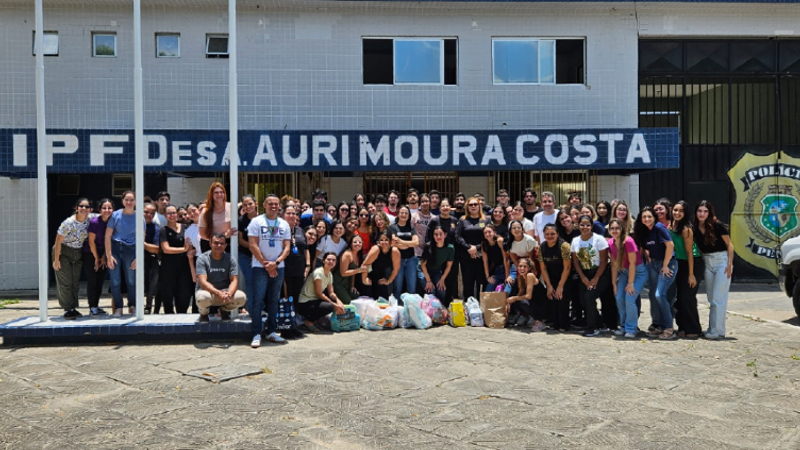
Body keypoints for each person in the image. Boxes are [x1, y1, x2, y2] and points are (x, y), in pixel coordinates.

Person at [248, 194, 292, 348]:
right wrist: (266, 264)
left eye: (276, 204)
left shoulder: (284, 224)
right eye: (270, 203)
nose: (274, 206)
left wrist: (276, 263)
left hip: (278, 267)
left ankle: (272, 331)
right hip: (260, 267)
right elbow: (253, 245)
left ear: (279, 206)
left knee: (274, 300)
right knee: (258, 300)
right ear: (264, 205)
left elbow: (287, 247)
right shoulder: (256, 221)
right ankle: (256, 333)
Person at [634, 206, 677, 340]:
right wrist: (650, 259)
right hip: (653, 264)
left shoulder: (659, 228)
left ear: (654, 217)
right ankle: (657, 325)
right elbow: (647, 247)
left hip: (668, 264)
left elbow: (670, 246)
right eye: (644, 217)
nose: (647, 219)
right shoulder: (645, 230)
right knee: (653, 295)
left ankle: (669, 327)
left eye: (649, 216)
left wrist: (665, 265)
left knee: (660, 294)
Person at [694, 200, 733, 340]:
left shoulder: (718, 226)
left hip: (721, 261)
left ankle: (718, 330)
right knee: (711, 298)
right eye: (699, 211)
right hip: (707, 261)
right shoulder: (695, 228)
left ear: (709, 213)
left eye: (705, 211)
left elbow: (730, 245)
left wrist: (729, 265)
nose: (702, 214)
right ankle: (712, 328)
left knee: (718, 297)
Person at [571, 215, 611, 337]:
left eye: (588, 225)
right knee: (583, 300)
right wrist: (583, 278)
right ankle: (600, 323)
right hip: (584, 272)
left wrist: (595, 278)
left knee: (589, 297)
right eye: (582, 224)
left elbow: (604, 260)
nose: (585, 227)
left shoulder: (599, 239)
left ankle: (592, 327)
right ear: (578, 225)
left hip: (600, 272)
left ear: (592, 226)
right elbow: (576, 261)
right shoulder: (575, 241)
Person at [607, 218, 646, 338]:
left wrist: (630, 283)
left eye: (617, 228)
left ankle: (631, 328)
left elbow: (633, 263)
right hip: (624, 272)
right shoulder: (611, 243)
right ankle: (623, 326)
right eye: (612, 228)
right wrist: (614, 284)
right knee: (619, 297)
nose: (614, 230)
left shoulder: (628, 241)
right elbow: (614, 265)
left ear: (622, 229)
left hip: (638, 273)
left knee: (629, 299)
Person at [53, 198, 91, 319]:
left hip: (78, 251)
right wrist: (56, 259)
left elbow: (105, 214)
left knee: (75, 282)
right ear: (76, 208)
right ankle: (67, 308)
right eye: (81, 206)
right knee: (66, 282)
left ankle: (73, 308)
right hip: (64, 251)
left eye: (87, 206)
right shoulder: (68, 223)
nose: (84, 209)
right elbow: (58, 242)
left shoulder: (89, 220)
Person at [195, 233, 247, 322]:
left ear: (226, 245)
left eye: (222, 243)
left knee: (242, 297)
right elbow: (203, 282)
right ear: (210, 244)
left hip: (225, 293)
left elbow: (234, 280)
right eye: (216, 243)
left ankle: (224, 311)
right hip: (208, 293)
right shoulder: (202, 258)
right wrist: (218, 292)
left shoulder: (230, 258)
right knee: (202, 298)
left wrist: (229, 294)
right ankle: (204, 313)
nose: (219, 245)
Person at [105, 191, 141, 316]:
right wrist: (108, 256)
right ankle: (118, 308)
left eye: (132, 200)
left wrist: (138, 257)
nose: (129, 202)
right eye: (127, 200)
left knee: (131, 281)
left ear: (135, 201)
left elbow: (142, 238)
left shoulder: (139, 216)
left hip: (131, 250)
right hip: (115, 248)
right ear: (122, 201)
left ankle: (132, 305)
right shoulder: (115, 215)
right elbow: (108, 236)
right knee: (115, 281)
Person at [671, 201, 703, 339]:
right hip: (678, 263)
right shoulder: (671, 225)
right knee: (679, 297)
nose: (677, 213)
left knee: (687, 297)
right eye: (675, 210)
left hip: (691, 263)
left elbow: (690, 253)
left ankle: (694, 328)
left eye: (681, 211)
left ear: (685, 213)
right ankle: (682, 326)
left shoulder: (686, 229)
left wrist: (691, 275)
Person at [298, 252, 346, 332]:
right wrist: (334, 305)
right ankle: (308, 322)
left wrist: (338, 301)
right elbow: (319, 293)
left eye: (333, 260)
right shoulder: (318, 272)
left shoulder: (329, 274)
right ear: (323, 261)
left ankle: (315, 320)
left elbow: (331, 293)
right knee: (330, 306)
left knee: (334, 301)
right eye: (329, 259)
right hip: (305, 303)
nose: (331, 262)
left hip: (314, 301)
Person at [159, 204, 194, 313]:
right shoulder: (163, 230)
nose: (172, 215)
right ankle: (169, 317)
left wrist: (188, 250)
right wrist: (183, 249)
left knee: (184, 292)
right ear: (165, 215)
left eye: (174, 212)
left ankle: (182, 314)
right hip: (168, 266)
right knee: (168, 293)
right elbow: (166, 249)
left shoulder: (185, 228)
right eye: (169, 213)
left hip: (184, 265)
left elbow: (190, 245)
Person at [537, 224, 572, 332]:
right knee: (552, 298)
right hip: (551, 277)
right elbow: (543, 269)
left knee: (561, 299)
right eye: (547, 234)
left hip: (566, 277)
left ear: (557, 234)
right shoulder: (542, 247)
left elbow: (567, 267)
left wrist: (560, 286)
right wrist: (549, 286)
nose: (550, 236)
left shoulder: (564, 246)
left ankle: (564, 325)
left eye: (552, 234)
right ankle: (555, 323)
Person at [455, 196, 489, 300]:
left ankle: (480, 306)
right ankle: (469, 305)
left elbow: (489, 236)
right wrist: (469, 247)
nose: (473, 206)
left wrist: (477, 247)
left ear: (479, 206)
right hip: (466, 256)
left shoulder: (487, 219)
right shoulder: (462, 220)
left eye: (475, 204)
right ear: (467, 207)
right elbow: (457, 236)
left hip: (481, 256)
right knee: (468, 282)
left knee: (481, 282)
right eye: (470, 205)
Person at [426, 198, 459, 303]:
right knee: (439, 281)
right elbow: (428, 237)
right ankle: (436, 305)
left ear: (450, 207)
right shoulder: (434, 220)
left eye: (447, 205)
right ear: (439, 208)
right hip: (437, 254)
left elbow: (457, 237)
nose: (445, 208)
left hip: (450, 254)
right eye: (443, 206)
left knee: (450, 279)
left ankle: (448, 303)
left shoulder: (454, 220)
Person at [83, 198, 113, 315]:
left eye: (109, 208)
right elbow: (91, 242)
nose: (107, 210)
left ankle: (96, 305)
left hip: (104, 254)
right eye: (104, 208)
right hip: (90, 254)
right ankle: (92, 307)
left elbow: (110, 240)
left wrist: (104, 256)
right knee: (92, 280)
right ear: (100, 210)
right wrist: (96, 258)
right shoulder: (95, 222)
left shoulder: (112, 222)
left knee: (100, 281)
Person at [419, 225, 455, 305]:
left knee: (441, 290)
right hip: (423, 272)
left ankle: (441, 312)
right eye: (436, 234)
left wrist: (442, 279)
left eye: (440, 234)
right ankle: (431, 313)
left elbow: (449, 266)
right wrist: (428, 281)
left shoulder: (450, 248)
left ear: (445, 235)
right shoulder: (428, 246)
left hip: (436, 272)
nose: (438, 236)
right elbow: (423, 265)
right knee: (431, 291)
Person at [361, 230, 401, 299]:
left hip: (380, 274)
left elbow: (396, 269)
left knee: (383, 297)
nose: (384, 242)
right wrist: (364, 279)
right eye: (381, 240)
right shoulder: (376, 249)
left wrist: (388, 281)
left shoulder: (394, 251)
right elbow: (365, 265)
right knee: (368, 296)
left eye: (386, 240)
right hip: (367, 273)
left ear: (390, 241)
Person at [198, 182, 237, 253]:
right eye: (216, 193)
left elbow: (243, 205)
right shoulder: (205, 212)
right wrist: (222, 237)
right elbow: (202, 234)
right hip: (211, 246)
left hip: (228, 245)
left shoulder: (231, 207)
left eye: (221, 192)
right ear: (211, 195)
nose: (219, 194)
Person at [389, 206, 419, 297]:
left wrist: (401, 241)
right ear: (398, 214)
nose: (404, 215)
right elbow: (394, 243)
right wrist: (409, 244)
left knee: (412, 287)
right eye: (402, 212)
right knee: (398, 287)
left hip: (411, 259)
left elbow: (416, 243)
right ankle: (397, 308)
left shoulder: (411, 227)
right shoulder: (392, 228)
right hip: (398, 260)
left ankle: (411, 308)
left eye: (406, 213)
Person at [237, 195, 259, 316]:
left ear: (256, 204)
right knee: (250, 281)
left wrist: (257, 255)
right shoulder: (241, 220)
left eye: (250, 204)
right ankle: (252, 309)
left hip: (261, 256)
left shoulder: (263, 218)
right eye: (245, 205)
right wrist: (253, 249)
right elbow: (240, 240)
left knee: (261, 282)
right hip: (245, 255)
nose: (248, 207)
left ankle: (261, 308)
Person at [505, 258, 540, 329]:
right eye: (520, 266)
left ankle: (536, 318)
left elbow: (528, 296)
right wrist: (509, 302)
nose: (522, 268)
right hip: (533, 303)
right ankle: (525, 316)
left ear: (529, 268)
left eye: (525, 266)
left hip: (541, 304)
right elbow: (520, 293)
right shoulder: (521, 277)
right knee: (517, 300)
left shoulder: (530, 275)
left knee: (522, 301)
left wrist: (514, 298)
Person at [333, 235, 368, 304]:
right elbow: (343, 273)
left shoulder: (358, 256)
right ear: (351, 244)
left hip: (348, 282)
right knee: (348, 301)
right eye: (355, 242)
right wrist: (360, 270)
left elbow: (353, 273)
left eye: (360, 242)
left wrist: (352, 285)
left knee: (356, 296)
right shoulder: (347, 254)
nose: (357, 244)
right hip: (339, 282)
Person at [142, 203, 162, 314]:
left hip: (150, 257)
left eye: (152, 213)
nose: (148, 215)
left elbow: (156, 249)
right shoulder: (133, 224)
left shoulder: (156, 228)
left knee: (155, 277)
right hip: (133, 257)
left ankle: (149, 305)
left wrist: (141, 243)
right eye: (146, 212)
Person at [481, 224, 509, 293]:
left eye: (489, 232)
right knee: (488, 292)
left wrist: (507, 277)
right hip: (497, 271)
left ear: (494, 232)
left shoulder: (499, 241)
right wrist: (488, 277)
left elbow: (506, 259)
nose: (488, 234)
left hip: (508, 269)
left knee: (507, 292)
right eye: (485, 233)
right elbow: (485, 261)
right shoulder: (484, 244)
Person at [412, 193, 436, 259]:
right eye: (422, 201)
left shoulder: (434, 218)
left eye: (427, 201)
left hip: (430, 251)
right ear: (420, 203)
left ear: (430, 203)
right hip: (417, 252)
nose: (425, 203)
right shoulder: (414, 216)